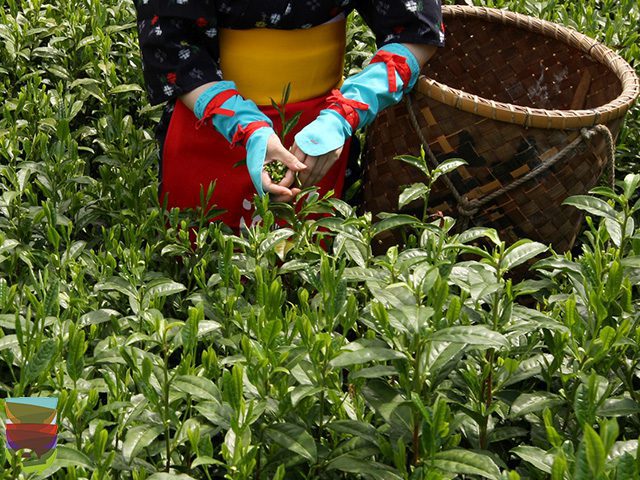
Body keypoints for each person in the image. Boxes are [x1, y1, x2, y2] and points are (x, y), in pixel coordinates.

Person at [134, 0, 445, 232]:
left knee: (310, 278)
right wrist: (244, 125)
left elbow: (417, 28)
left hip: (319, 133)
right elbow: (170, 45)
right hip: (210, 120)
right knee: (202, 268)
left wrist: (344, 114)